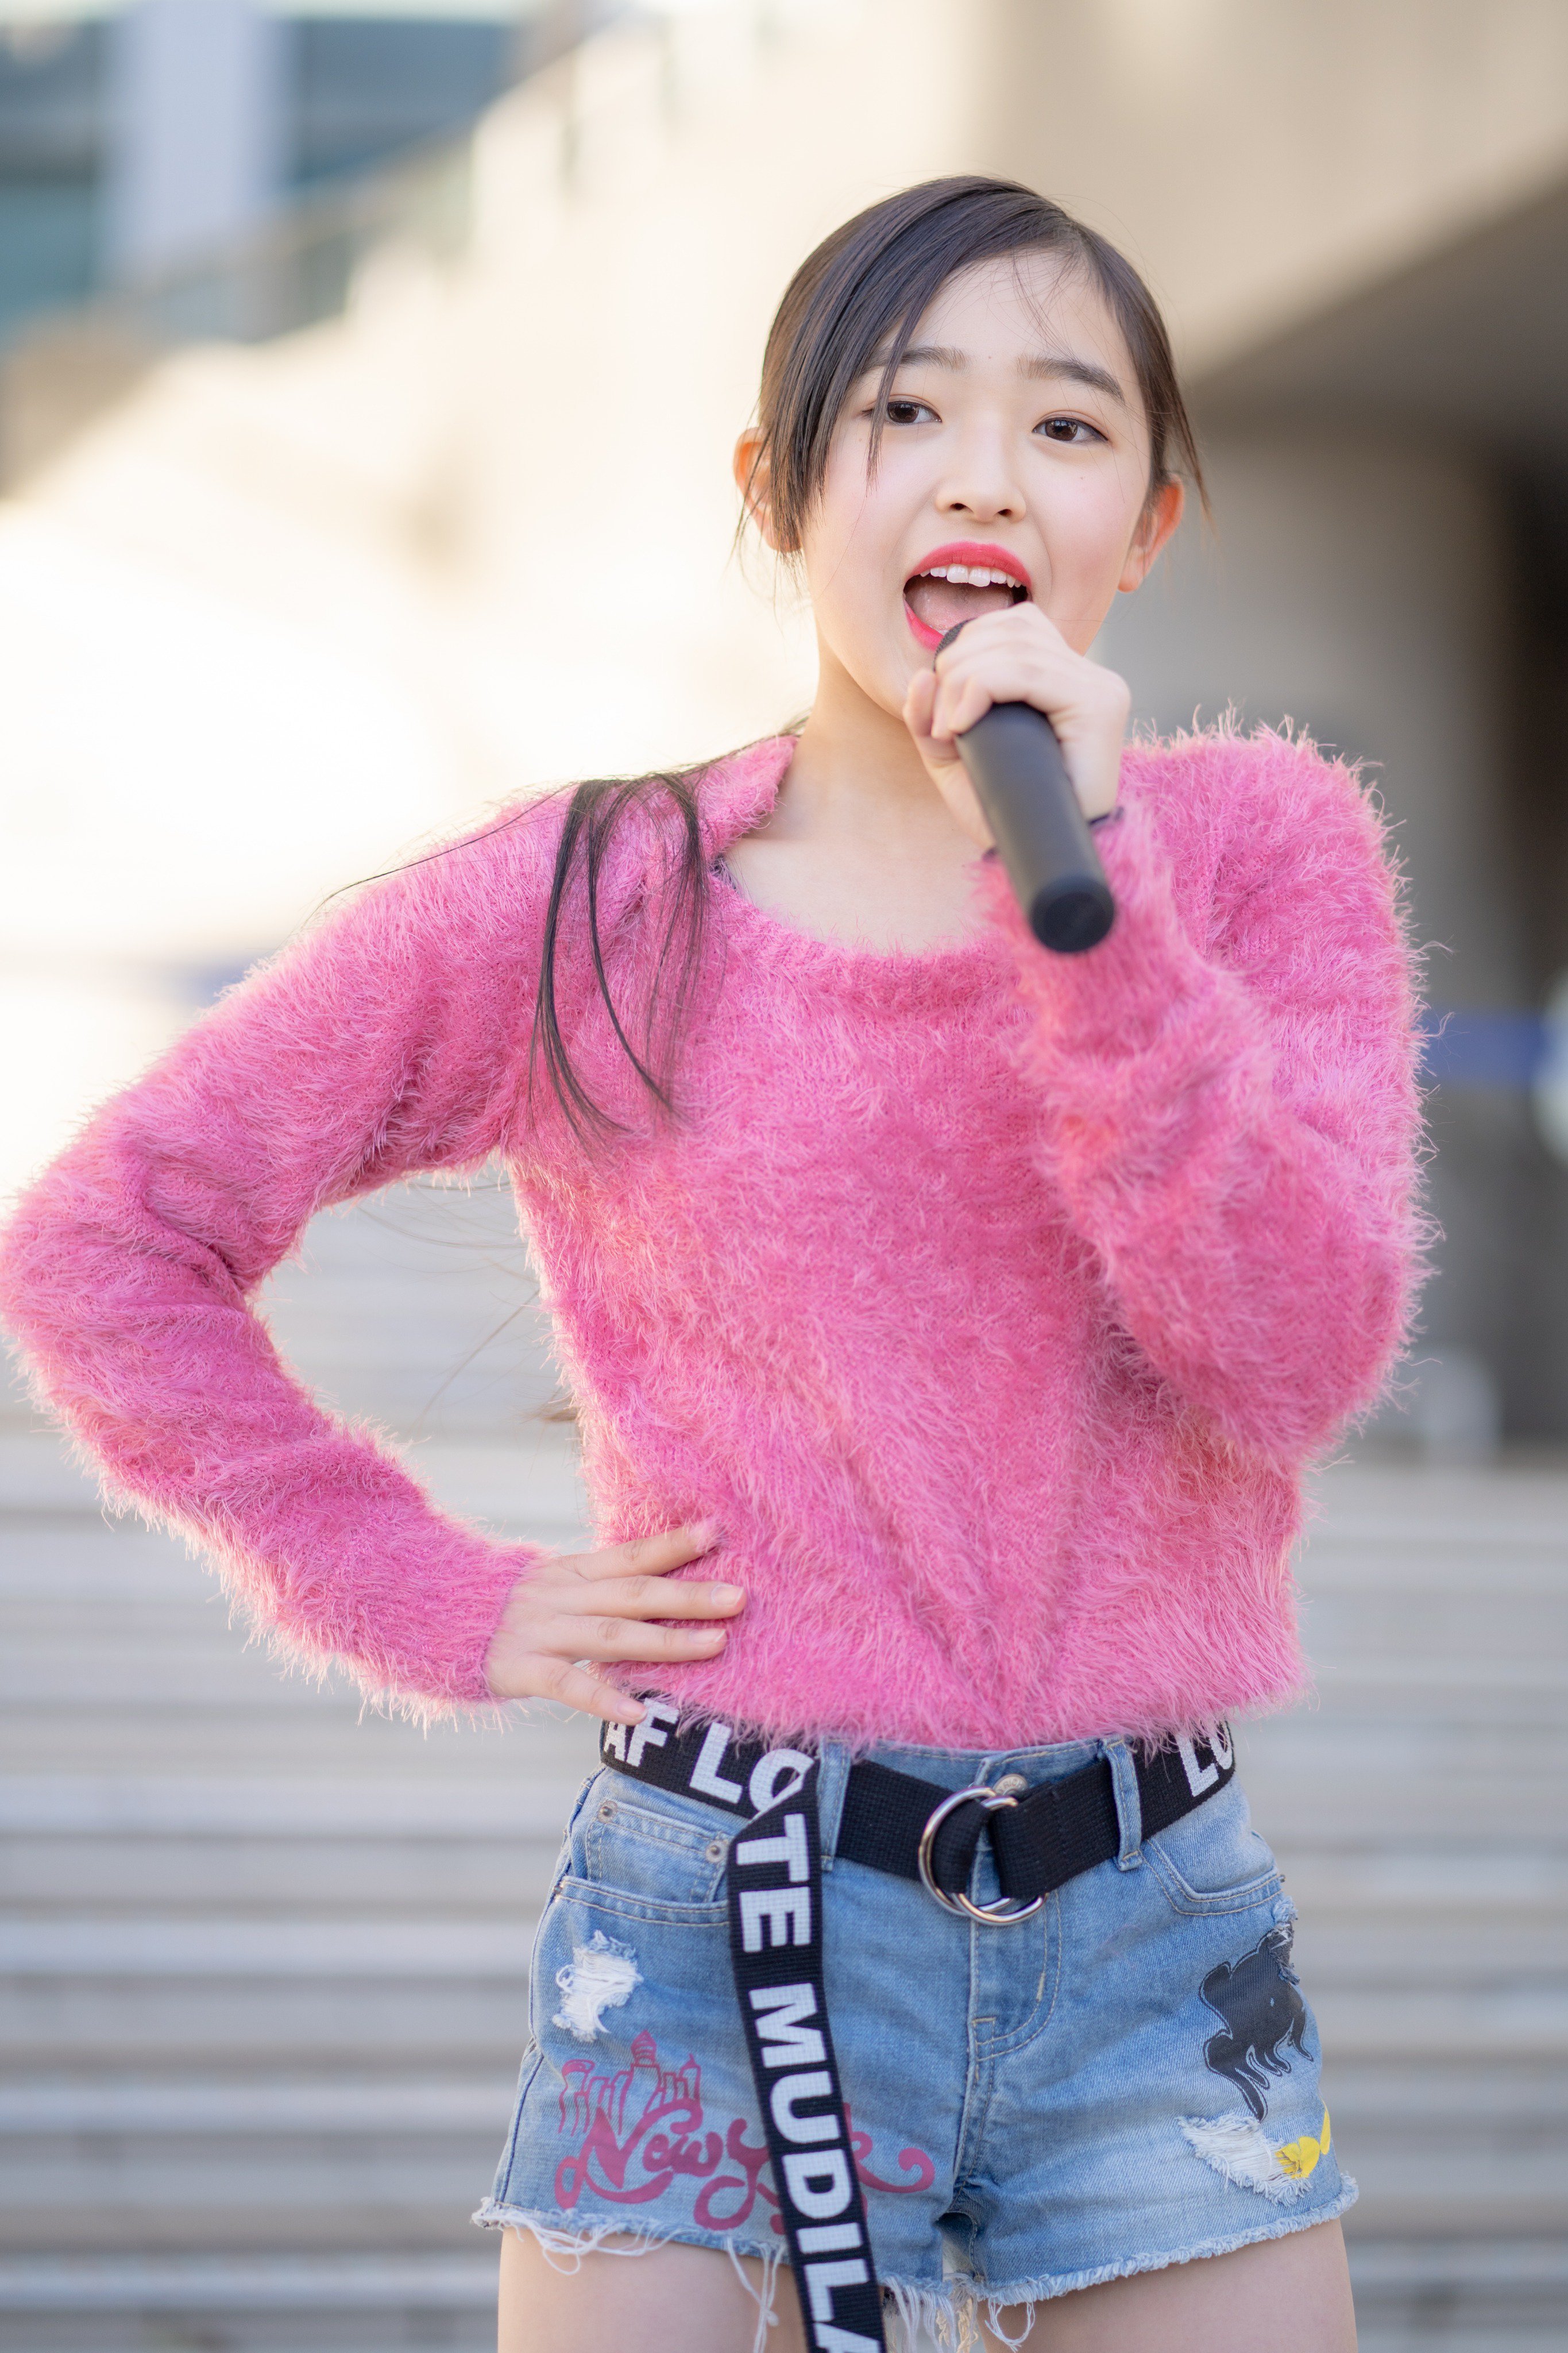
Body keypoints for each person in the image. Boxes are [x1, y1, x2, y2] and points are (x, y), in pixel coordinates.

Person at [0, 178, 1421, 2352]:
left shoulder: (1255, 850)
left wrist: (1101, 908)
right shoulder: (593, 900)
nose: (980, 476)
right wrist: (414, 1583)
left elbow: (1293, 1352)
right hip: (719, 1908)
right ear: (777, 490)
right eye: (903, 411)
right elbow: (108, 1241)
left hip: (1150, 1929)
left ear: (1142, 524)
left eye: (1064, 426)